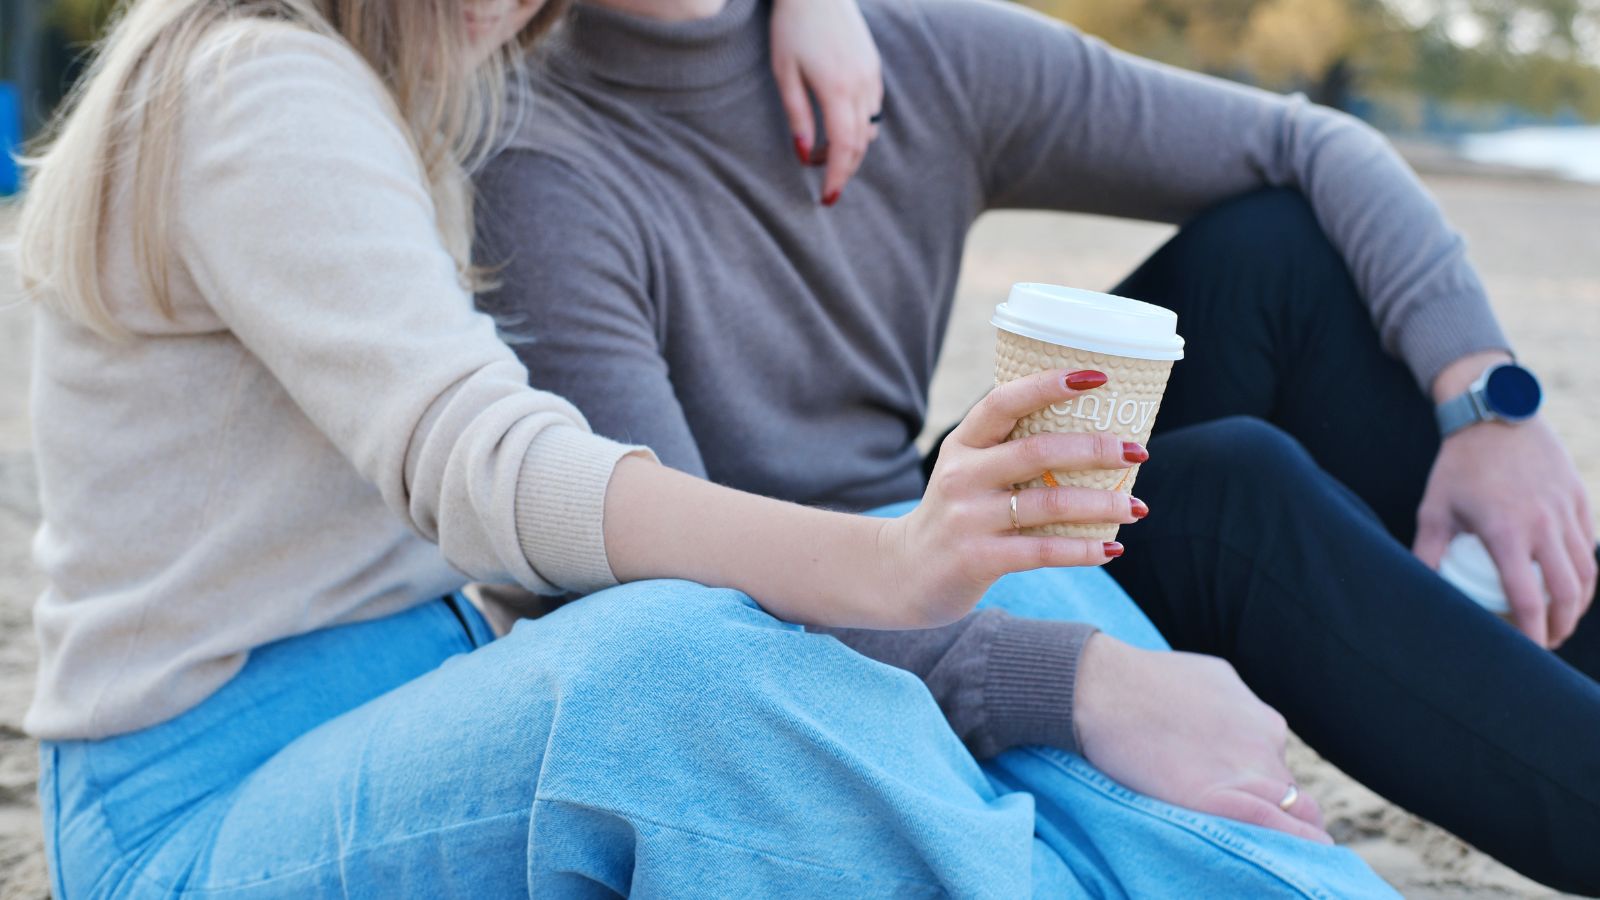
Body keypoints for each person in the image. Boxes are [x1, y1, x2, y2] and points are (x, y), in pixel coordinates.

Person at [13, 0, 1404, 895]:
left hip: (402, 712)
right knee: (674, 673)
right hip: (201, 817)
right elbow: (483, 465)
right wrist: (893, 561)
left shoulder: (435, 86)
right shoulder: (261, 82)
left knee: (996, 630)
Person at [473, 0, 1600, 892]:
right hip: (787, 624)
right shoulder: (538, 166)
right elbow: (666, 598)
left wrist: (1489, 407)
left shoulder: (911, 56)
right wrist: (1062, 678)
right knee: (1227, 493)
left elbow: (1314, 145)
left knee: (1277, 255)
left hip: (931, 519)